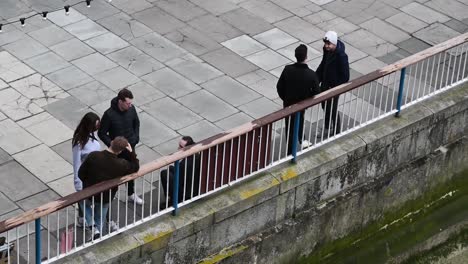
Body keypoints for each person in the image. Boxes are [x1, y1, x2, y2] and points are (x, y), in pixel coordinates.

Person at [78, 136, 139, 238]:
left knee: (82, 202)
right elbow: (135, 167)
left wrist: (89, 183)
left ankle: (92, 226)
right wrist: (132, 153)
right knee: (100, 217)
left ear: (111, 142)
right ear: (120, 151)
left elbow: (81, 174)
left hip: (90, 191)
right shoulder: (121, 164)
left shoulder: (94, 156)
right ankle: (95, 236)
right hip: (106, 196)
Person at [98, 88, 143, 205]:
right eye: (128, 103)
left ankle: (131, 194)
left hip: (130, 146)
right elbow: (102, 133)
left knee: (132, 169)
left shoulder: (131, 110)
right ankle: (110, 196)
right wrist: (113, 145)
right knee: (114, 173)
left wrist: (136, 137)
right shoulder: (109, 114)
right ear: (120, 101)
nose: (130, 105)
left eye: (131, 103)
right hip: (117, 151)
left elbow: (136, 123)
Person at [276, 44, 320, 154]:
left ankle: (290, 152)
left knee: (289, 126)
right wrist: (307, 99)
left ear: (295, 56)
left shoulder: (287, 69)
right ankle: (301, 140)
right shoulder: (311, 74)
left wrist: (285, 98)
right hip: (301, 105)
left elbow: (279, 86)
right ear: (306, 57)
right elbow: (316, 92)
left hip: (288, 104)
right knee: (299, 120)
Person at [316, 31, 350, 137]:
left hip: (333, 88)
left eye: (328, 44)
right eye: (325, 44)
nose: (326, 46)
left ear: (334, 43)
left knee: (332, 108)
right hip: (325, 84)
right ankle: (327, 127)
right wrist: (316, 78)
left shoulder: (341, 56)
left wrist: (334, 86)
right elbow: (323, 64)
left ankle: (336, 130)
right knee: (325, 106)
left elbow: (345, 76)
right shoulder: (327, 51)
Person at [72, 112, 101, 227]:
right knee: (84, 197)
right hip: (85, 174)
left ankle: (84, 217)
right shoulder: (79, 142)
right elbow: (76, 162)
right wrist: (77, 181)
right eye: (96, 124)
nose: (97, 127)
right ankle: (82, 218)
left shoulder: (92, 135)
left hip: (95, 172)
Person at [160, 136, 200, 208]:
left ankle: (173, 199)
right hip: (194, 185)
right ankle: (169, 194)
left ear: (187, 148)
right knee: (170, 169)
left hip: (187, 191)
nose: (178, 148)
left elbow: (179, 178)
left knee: (164, 173)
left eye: (181, 147)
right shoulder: (196, 154)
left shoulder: (185, 164)